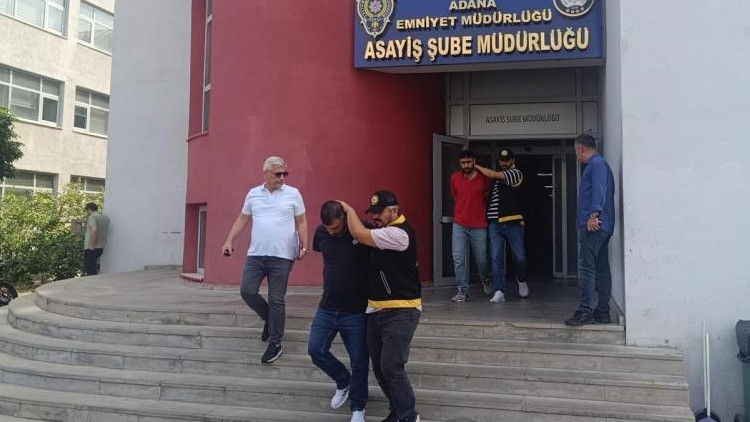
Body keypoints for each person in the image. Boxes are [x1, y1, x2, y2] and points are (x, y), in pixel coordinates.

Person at [338, 190, 421, 422]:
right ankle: (397, 412)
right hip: (375, 311)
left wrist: (348, 209)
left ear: (393, 211)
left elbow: (359, 233)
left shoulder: (399, 233)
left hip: (401, 311)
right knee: (380, 368)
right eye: (372, 212)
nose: (374, 217)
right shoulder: (384, 230)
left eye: (378, 213)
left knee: (392, 366)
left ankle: (409, 416)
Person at [222, 156, 309, 363]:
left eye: (284, 174)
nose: (282, 178)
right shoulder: (253, 193)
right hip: (256, 254)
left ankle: (275, 343)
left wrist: (304, 245)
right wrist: (229, 240)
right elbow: (243, 218)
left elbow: (302, 221)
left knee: (276, 298)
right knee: (247, 291)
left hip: (282, 256)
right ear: (266, 174)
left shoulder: (293, 193)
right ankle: (270, 319)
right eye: (277, 174)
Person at [308, 201, 369, 422]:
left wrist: (350, 210)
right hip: (327, 307)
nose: (331, 232)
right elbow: (319, 246)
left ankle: (358, 409)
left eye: (335, 227)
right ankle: (343, 380)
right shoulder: (321, 233)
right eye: (328, 228)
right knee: (315, 349)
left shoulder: (361, 230)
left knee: (359, 361)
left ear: (344, 218)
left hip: (356, 310)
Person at [564, 134, 615, 326]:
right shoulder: (600, 164)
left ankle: (584, 311)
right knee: (602, 268)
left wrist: (594, 215)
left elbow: (599, 191)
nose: (577, 155)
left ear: (581, 149)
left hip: (594, 225)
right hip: (603, 224)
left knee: (586, 267)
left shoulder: (596, 164)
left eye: (576, 151)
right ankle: (602, 312)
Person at [475, 149, 530, 303]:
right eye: (501, 160)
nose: (504, 163)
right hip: (495, 223)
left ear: (513, 160)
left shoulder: (516, 173)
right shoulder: (496, 180)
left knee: (519, 257)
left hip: (514, 222)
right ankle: (499, 290)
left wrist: (476, 166)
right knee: (495, 257)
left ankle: (521, 280)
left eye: (506, 160)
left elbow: (493, 174)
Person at [449, 150, 491, 303]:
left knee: (481, 260)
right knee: (458, 258)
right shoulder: (454, 178)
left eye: (468, 162)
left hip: (479, 225)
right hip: (459, 224)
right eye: (463, 163)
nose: (466, 165)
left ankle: (485, 278)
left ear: (474, 161)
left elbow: (487, 195)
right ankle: (462, 291)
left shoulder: (483, 177)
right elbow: (456, 197)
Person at [83, 202, 109, 276]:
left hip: (91, 247)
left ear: (89, 209)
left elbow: (94, 230)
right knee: (95, 268)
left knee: (90, 270)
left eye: (87, 210)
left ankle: (91, 283)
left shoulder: (92, 217)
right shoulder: (105, 217)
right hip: (101, 246)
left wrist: (92, 245)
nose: (87, 212)